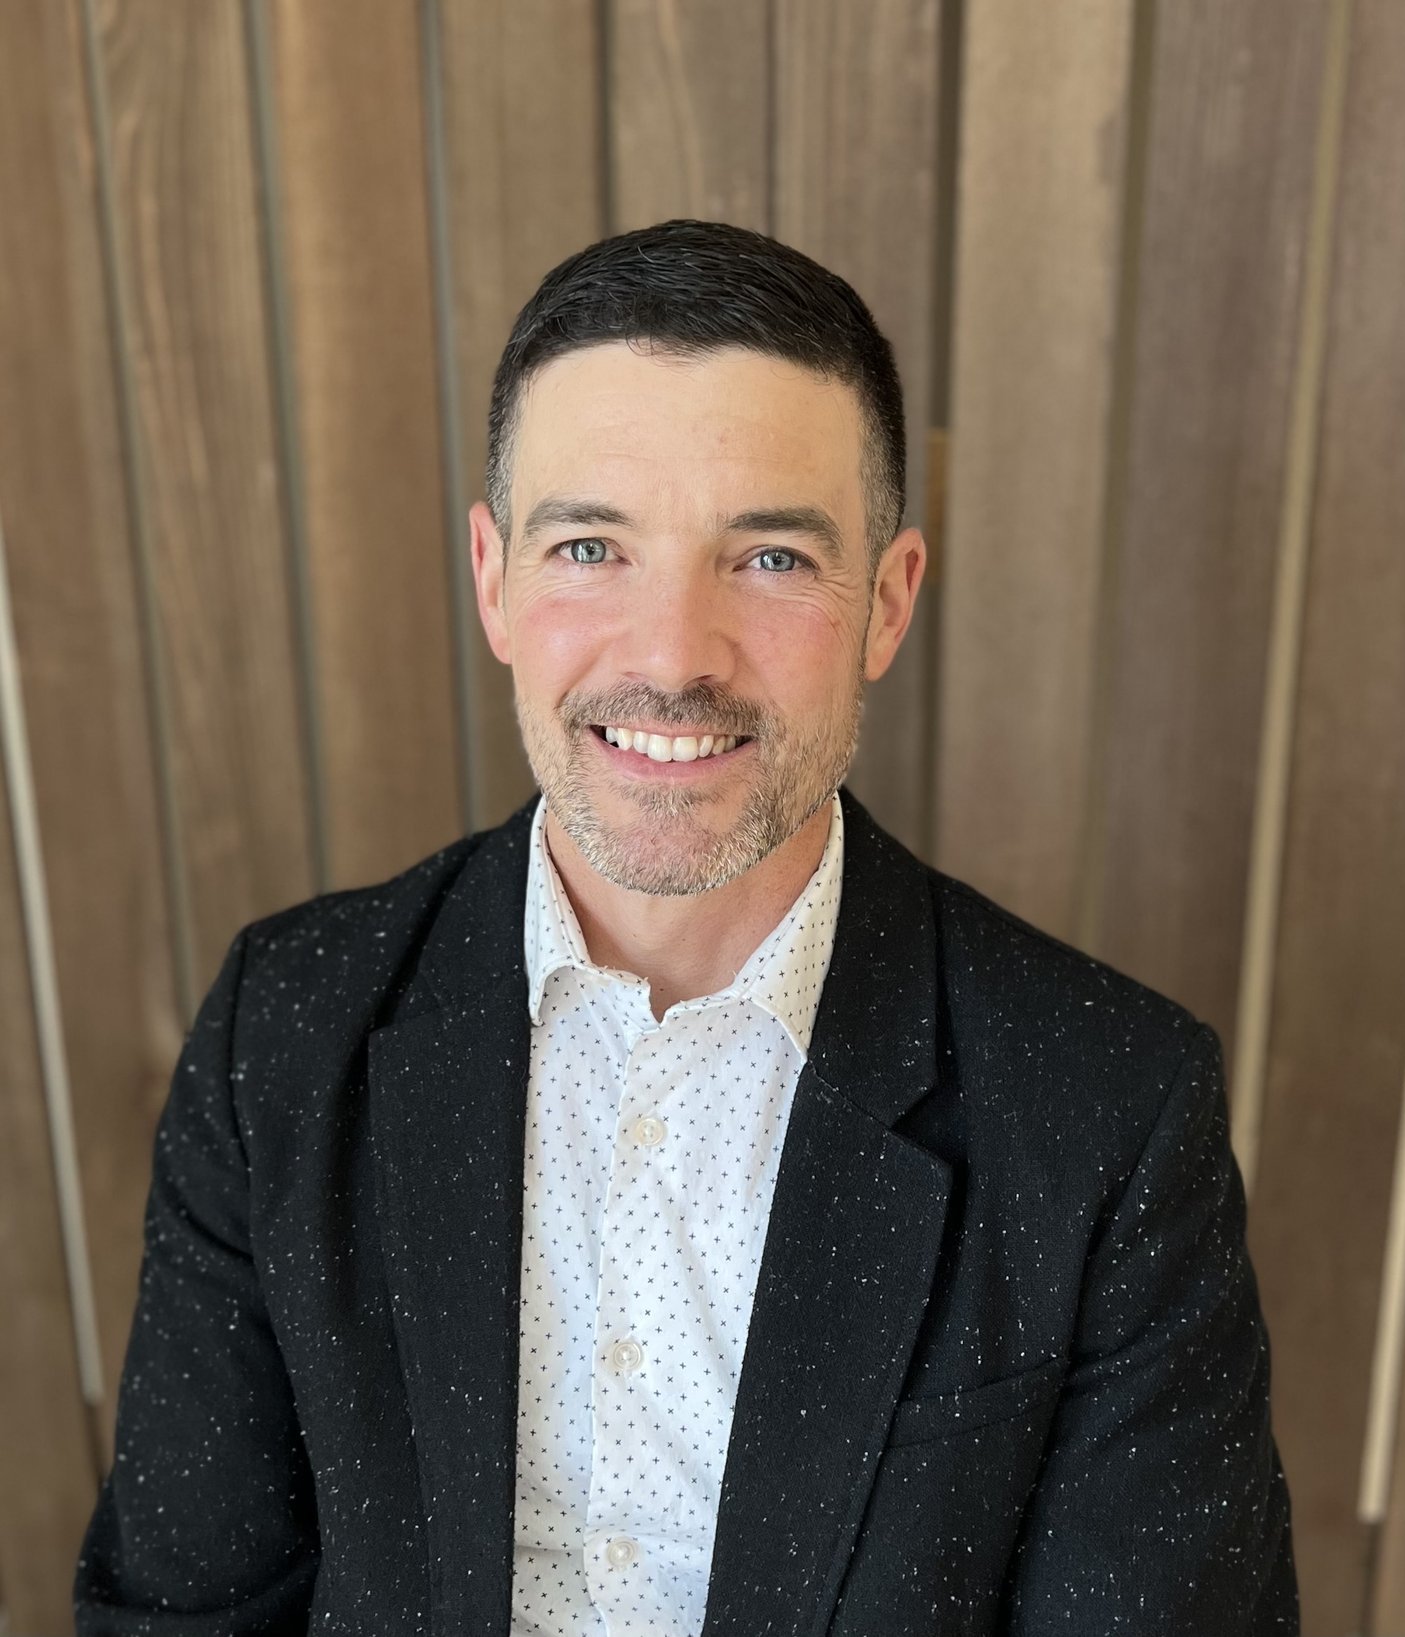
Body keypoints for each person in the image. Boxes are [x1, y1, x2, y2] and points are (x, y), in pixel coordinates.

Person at [75, 218, 1298, 1636]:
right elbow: (181, 1615)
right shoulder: (278, 1032)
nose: (670, 656)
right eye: (591, 544)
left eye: (769, 558)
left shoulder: (1111, 1112)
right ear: (493, 579)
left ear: (886, 603)